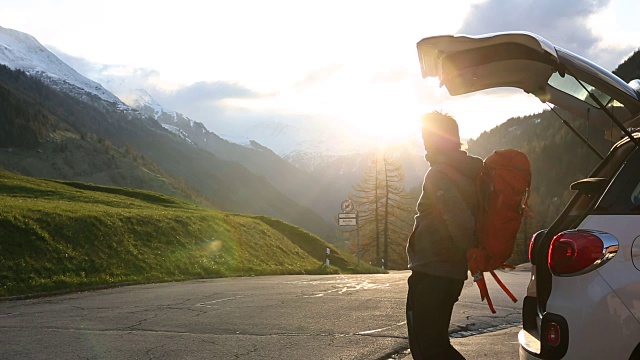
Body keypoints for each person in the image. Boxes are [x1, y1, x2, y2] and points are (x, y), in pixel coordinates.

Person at [405, 111, 483, 360]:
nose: (424, 142)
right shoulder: (466, 171)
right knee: (436, 344)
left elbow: (458, 219)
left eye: (427, 136)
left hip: (432, 272)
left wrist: (465, 251)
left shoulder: (439, 174)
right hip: (449, 273)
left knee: (427, 348)